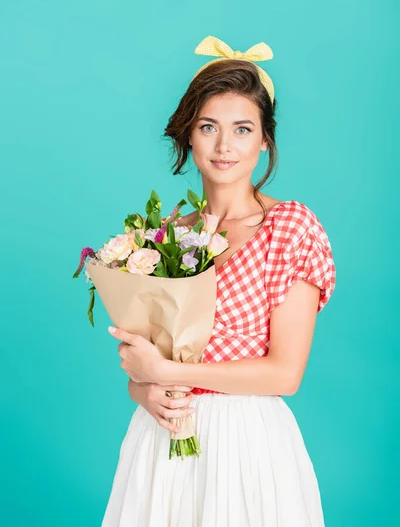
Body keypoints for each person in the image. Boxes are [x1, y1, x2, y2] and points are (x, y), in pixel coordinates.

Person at [102, 36, 336, 526]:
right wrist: (146, 389)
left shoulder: (290, 229)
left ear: (264, 139)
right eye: (208, 127)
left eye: (243, 129)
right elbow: (141, 369)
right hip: (162, 437)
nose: (225, 146)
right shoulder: (168, 236)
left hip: (247, 444)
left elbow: (284, 374)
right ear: (189, 134)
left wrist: (168, 375)